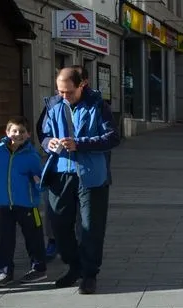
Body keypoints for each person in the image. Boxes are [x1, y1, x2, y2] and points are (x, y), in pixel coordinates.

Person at [41, 66, 121, 295]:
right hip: (60, 171)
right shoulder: (54, 105)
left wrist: (81, 143)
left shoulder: (98, 106)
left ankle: (89, 274)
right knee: (58, 223)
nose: (64, 96)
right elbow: (44, 135)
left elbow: (113, 137)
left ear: (81, 85)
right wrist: (50, 144)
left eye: (69, 92)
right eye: (60, 91)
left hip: (91, 174)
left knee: (91, 227)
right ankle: (74, 265)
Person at [0, 117, 47, 287]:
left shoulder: (31, 156)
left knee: (33, 237)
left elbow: (41, 180)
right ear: (7, 133)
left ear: (28, 134)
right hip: (6, 204)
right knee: (5, 240)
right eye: (14, 131)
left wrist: (37, 184)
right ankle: (5, 272)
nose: (18, 134)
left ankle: (39, 269)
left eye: (22, 131)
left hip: (28, 205)